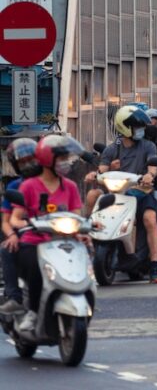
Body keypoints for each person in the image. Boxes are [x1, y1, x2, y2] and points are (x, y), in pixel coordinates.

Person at [8, 135, 85, 332]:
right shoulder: (28, 186)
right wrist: (29, 223)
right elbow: (15, 219)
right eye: (61, 159)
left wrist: (87, 229)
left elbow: (76, 215)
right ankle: (33, 312)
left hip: (64, 241)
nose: (65, 163)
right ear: (47, 160)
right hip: (35, 242)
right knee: (35, 268)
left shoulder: (70, 186)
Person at [84, 106, 157, 283]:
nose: (141, 130)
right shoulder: (113, 148)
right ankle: (86, 238)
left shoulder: (148, 146)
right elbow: (102, 168)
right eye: (137, 126)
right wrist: (95, 174)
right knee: (93, 196)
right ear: (124, 127)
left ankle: (154, 266)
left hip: (141, 193)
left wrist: (149, 176)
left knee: (150, 218)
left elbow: (153, 168)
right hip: (117, 193)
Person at [0, 139, 42, 314]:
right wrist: (11, 235)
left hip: (52, 233)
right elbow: (6, 221)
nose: (28, 165)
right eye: (22, 162)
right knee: (6, 249)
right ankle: (14, 296)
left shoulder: (53, 182)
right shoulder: (15, 186)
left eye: (31, 159)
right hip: (24, 234)